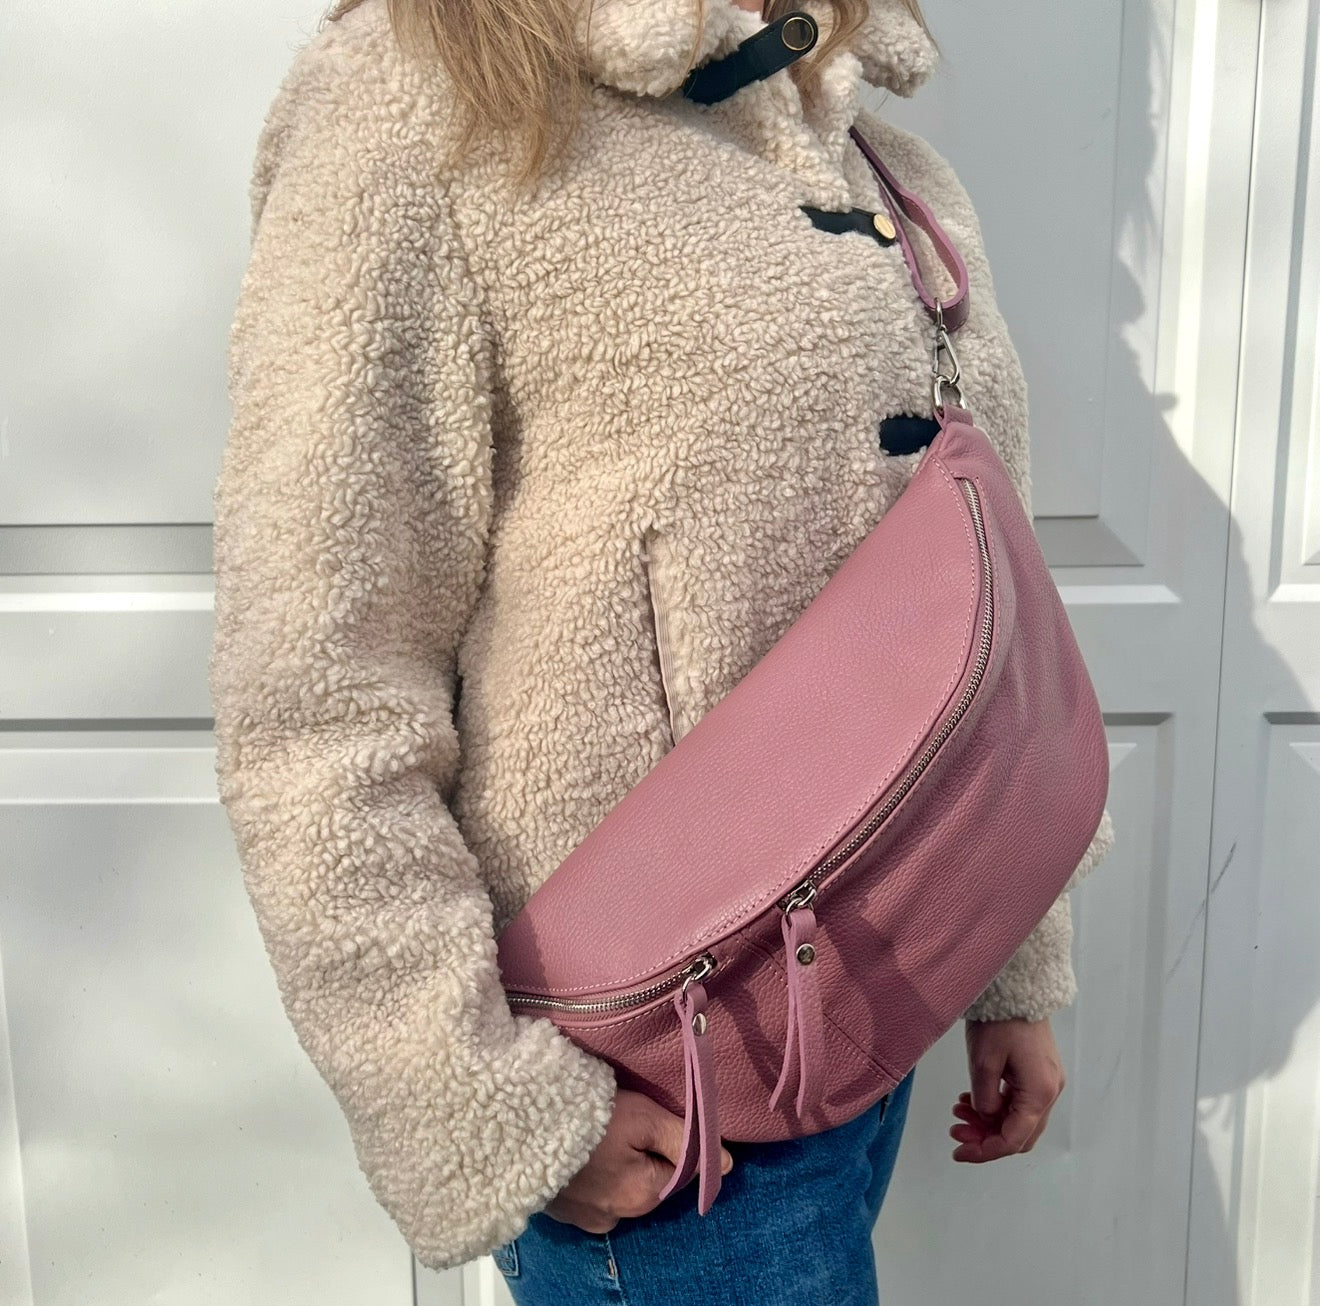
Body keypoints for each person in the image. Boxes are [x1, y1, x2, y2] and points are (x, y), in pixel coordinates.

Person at [209, 0, 1117, 1298]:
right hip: (664, 1106)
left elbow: (977, 611)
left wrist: (1011, 959)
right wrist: (489, 1108)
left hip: (868, 1016)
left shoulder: (864, 144)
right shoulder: (417, 101)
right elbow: (320, 687)